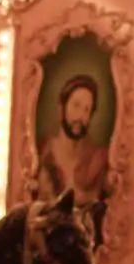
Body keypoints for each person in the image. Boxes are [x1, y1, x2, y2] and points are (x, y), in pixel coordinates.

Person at [36, 74, 109, 203]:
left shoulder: (98, 160)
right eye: (76, 106)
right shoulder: (42, 152)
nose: (81, 116)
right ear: (61, 108)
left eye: (87, 110)